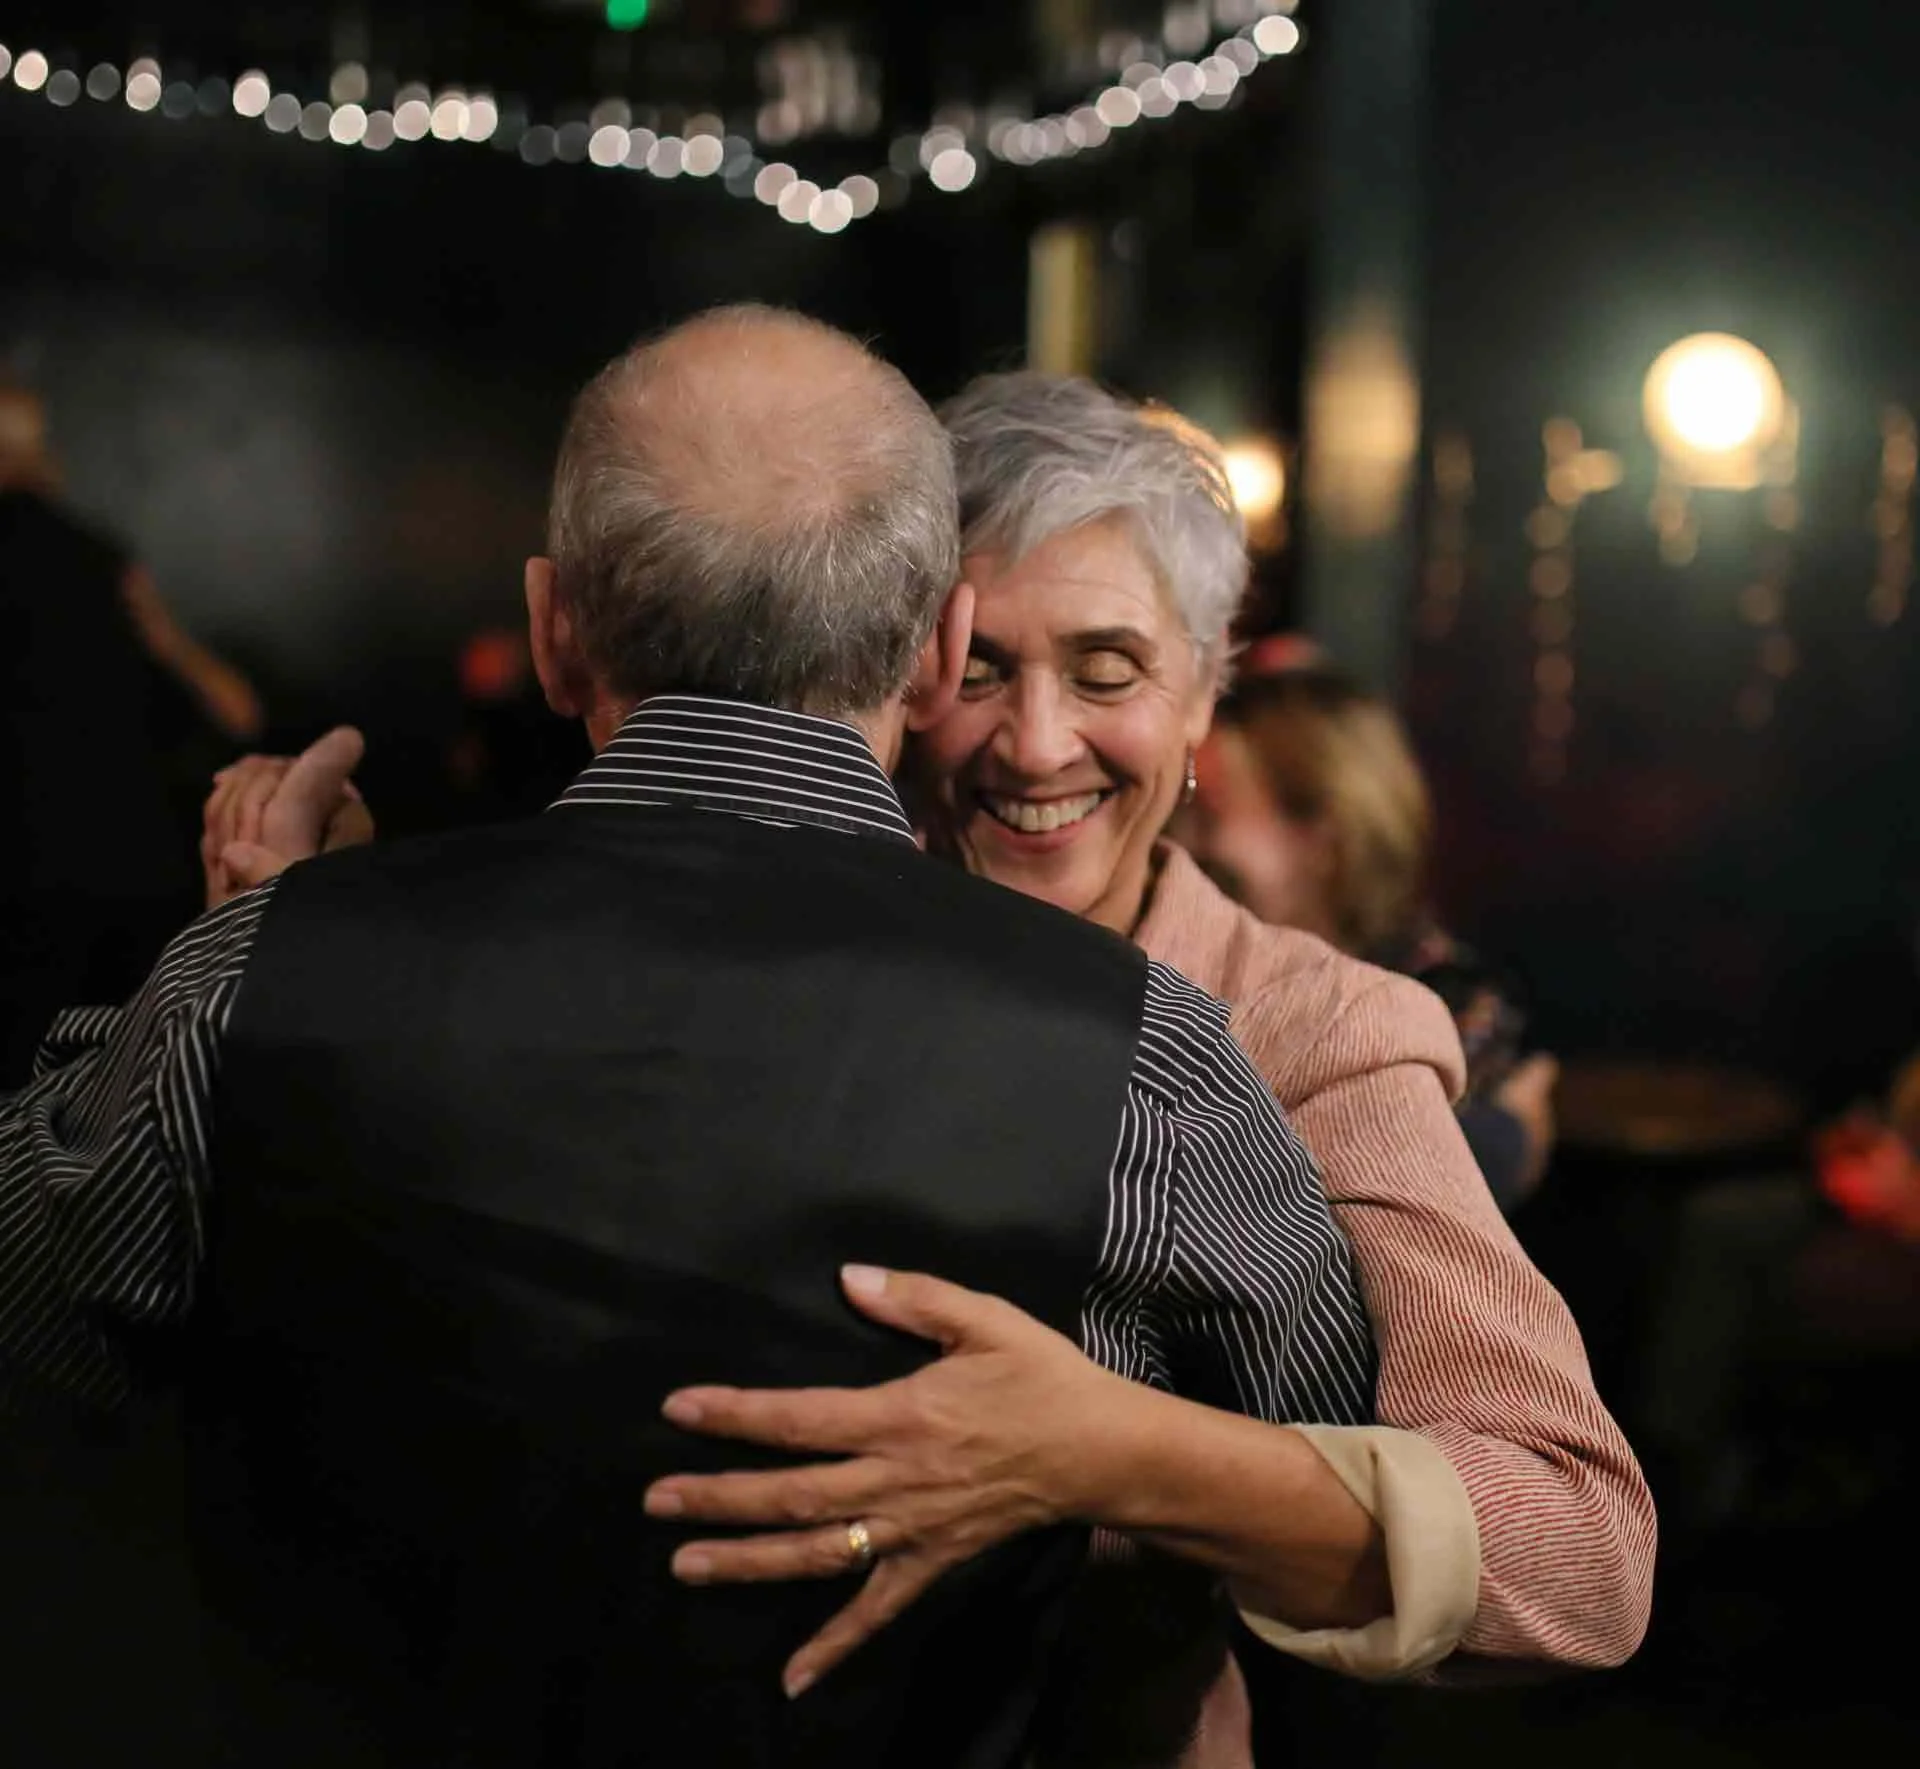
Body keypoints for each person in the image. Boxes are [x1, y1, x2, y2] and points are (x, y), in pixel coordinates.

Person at [1, 309, 1387, 1769]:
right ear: (940, 652)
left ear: (553, 629)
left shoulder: (248, 977)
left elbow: (47, 1331)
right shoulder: (1146, 1057)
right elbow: (1328, 1486)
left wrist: (259, 959)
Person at [607, 374, 1654, 1717]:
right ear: (901, 676)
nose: (1038, 745)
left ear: (1206, 698)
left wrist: (1108, 1452)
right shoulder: (783, 941)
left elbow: (1581, 1556)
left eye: (1108, 672)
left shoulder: (1310, 1026)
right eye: (979, 668)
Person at [1174, 642, 1561, 1213]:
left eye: (1206, 815)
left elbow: (1384, 1200)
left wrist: (1482, 1152)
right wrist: (1505, 1144)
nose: (1179, 845)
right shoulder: (1182, 964)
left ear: (1326, 837)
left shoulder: (1449, 997)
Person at [0, 383, 264, 1083]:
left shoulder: (92, 559)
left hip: (37, 885)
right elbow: (238, 713)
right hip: (132, 873)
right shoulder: (100, 559)